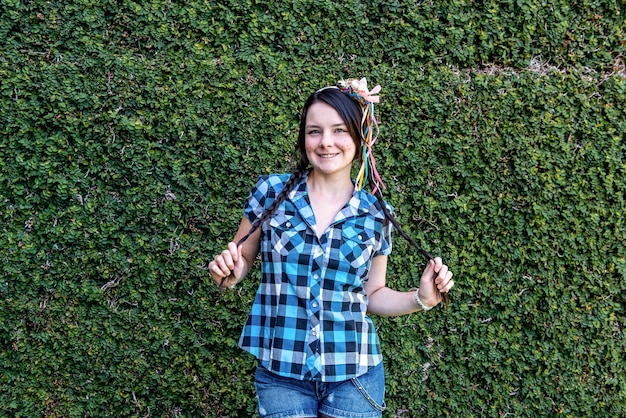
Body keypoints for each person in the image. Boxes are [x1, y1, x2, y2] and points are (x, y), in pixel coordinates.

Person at [209, 78, 455, 418]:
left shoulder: (376, 214)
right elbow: (241, 261)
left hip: (355, 376)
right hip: (282, 372)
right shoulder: (271, 192)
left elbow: (373, 294)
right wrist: (227, 274)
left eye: (339, 130)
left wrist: (422, 299)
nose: (326, 142)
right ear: (303, 138)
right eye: (314, 131)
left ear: (359, 137)